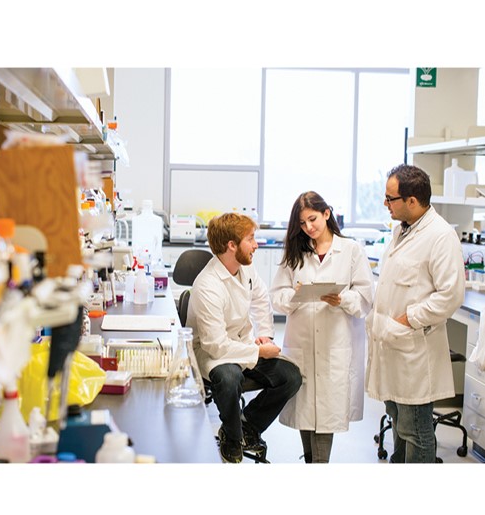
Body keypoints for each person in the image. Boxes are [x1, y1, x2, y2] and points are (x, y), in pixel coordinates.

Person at [365, 164, 465, 463]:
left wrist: (408, 320)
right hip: (393, 345)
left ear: (412, 200)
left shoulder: (440, 236)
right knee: (397, 420)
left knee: (417, 430)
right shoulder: (401, 231)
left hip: (414, 350)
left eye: (389, 198)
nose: (385, 204)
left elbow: (451, 295)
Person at [186, 212, 302, 463]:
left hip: (243, 345)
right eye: (251, 239)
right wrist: (258, 352)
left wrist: (265, 336)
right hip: (211, 354)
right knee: (229, 378)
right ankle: (232, 435)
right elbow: (215, 346)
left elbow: (262, 301)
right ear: (231, 245)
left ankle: (248, 425)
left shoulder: (246, 269)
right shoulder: (207, 285)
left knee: (290, 376)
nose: (256, 245)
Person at [269, 191, 374, 463]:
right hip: (302, 341)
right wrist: (295, 295)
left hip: (335, 343)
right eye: (302, 223)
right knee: (305, 408)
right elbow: (277, 296)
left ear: (327, 213)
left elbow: (365, 298)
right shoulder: (295, 252)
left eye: (313, 219)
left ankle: (319, 464)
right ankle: (312, 461)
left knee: (326, 413)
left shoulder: (351, 250)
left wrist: (342, 299)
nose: (309, 228)